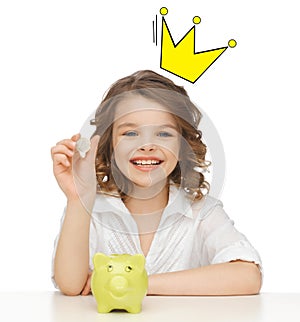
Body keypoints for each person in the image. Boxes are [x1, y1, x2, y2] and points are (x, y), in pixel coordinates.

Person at [51, 70, 262, 296]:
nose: (147, 145)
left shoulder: (201, 212)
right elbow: (71, 286)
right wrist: (77, 199)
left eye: (163, 134)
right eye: (130, 133)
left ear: (182, 146)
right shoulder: (90, 209)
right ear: (109, 144)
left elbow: (248, 276)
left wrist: (137, 282)